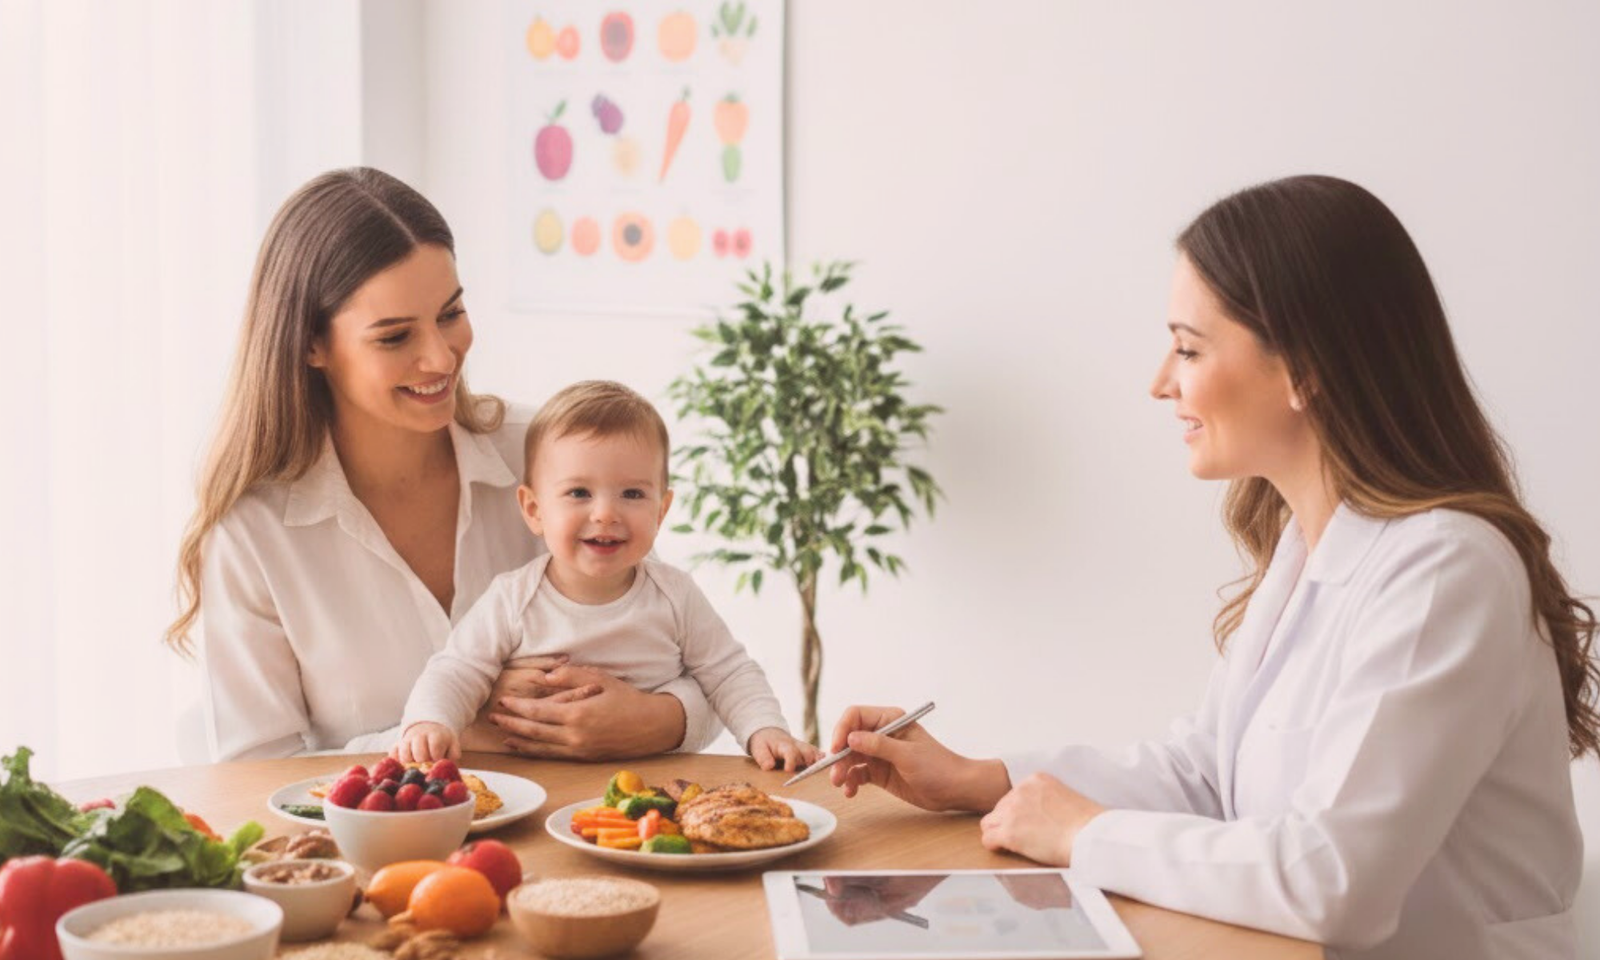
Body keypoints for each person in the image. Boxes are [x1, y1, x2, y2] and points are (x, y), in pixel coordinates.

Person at [827, 175, 1595, 959]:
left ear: (1305, 368)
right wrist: (981, 778)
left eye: (1189, 348)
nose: (1162, 383)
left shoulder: (1445, 572)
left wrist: (1087, 833)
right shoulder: (1308, 548)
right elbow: (1205, 776)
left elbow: (1334, 885)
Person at [166, 167, 723, 761]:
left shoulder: (544, 456)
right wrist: (459, 731)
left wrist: (657, 720)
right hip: (370, 854)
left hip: (577, 838)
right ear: (311, 343)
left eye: (451, 314)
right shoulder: (252, 531)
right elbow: (255, 775)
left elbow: (702, 658)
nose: (439, 357)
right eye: (394, 336)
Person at [396, 380, 819, 772]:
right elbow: (457, 671)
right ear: (534, 510)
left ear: (661, 510)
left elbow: (729, 673)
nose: (605, 513)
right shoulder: (512, 597)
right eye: (579, 493)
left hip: (649, 784)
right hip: (538, 785)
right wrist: (430, 723)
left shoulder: (674, 595)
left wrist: (766, 731)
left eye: (632, 494)